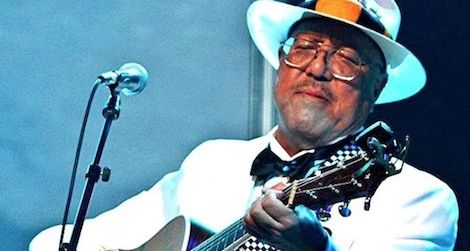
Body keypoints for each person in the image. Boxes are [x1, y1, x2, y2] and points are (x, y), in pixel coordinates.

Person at [30, 0, 459, 250]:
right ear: (280, 65)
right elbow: (57, 242)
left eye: (347, 59)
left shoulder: (419, 198)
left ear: (376, 87)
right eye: (306, 48)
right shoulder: (212, 161)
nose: (318, 69)